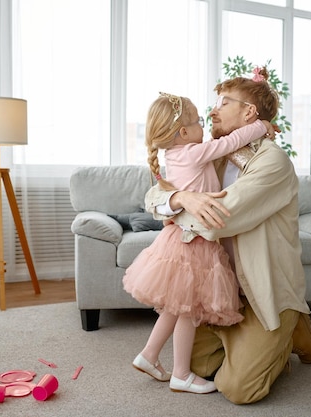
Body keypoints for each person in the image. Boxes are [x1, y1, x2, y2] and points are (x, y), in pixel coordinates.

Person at [144, 67, 311, 404]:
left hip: (261, 290)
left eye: (223, 102)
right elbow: (153, 196)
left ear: (249, 112)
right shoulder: (213, 152)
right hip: (223, 288)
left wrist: (182, 204)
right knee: (194, 363)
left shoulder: (273, 163)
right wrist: (178, 198)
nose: (212, 110)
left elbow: (216, 220)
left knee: (240, 389)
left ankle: (293, 328)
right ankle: (256, 341)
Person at [123, 92, 275, 394]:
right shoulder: (192, 152)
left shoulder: (175, 154)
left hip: (180, 239)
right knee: (188, 310)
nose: (203, 126)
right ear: (183, 132)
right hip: (194, 242)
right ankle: (180, 373)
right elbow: (230, 143)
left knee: (177, 307)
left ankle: (150, 355)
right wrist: (262, 126)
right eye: (198, 122)